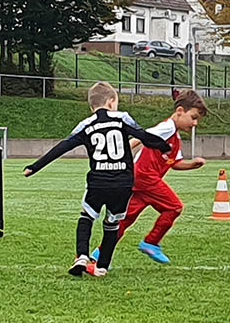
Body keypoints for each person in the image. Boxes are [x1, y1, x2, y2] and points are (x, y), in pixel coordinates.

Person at [23, 81, 171, 276]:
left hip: (98, 181)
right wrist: (164, 148)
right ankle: (102, 266)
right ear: (111, 102)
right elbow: (143, 135)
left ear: (91, 106)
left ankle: (82, 256)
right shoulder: (122, 118)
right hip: (123, 183)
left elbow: (63, 146)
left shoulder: (86, 124)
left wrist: (35, 167)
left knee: (87, 216)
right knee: (112, 223)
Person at [104, 89, 208, 265]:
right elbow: (141, 136)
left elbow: (174, 163)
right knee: (174, 207)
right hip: (145, 177)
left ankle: (99, 253)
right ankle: (151, 242)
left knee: (125, 218)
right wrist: (122, 151)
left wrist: (192, 164)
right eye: (194, 117)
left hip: (141, 181)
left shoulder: (174, 137)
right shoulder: (167, 128)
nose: (195, 123)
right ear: (180, 111)